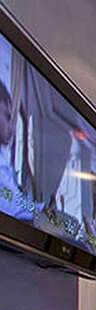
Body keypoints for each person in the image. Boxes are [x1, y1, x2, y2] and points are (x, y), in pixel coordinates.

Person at [0, 81, 30, 221]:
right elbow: (14, 209)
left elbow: (17, 201)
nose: (12, 129)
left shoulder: (3, 158)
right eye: (7, 116)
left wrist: (42, 210)